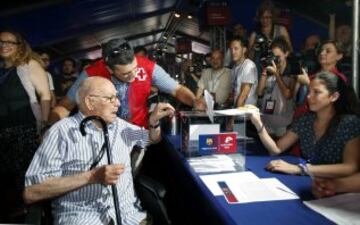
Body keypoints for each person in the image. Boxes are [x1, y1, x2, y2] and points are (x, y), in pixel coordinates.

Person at [24, 76, 175, 225]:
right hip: (82, 219)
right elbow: (31, 193)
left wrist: (153, 122)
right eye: (111, 98)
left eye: (117, 97)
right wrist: (91, 177)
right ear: (90, 102)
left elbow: (151, 138)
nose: (118, 103)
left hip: (131, 217)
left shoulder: (121, 126)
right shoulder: (61, 132)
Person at [49, 39, 197, 128]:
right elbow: (64, 106)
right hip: (104, 134)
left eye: (135, 69)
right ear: (109, 69)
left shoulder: (148, 67)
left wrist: (195, 102)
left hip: (139, 131)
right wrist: (51, 128)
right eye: (126, 74)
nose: (133, 76)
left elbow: (177, 90)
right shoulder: (91, 74)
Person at [250, 71, 360, 177]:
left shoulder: (349, 123)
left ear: (334, 96)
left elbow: (350, 167)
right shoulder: (305, 120)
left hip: (339, 189)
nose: (308, 96)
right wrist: (258, 123)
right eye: (309, 91)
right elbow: (275, 149)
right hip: (313, 183)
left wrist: (299, 169)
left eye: (316, 92)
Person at [0, 30, 51, 221]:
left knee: (28, 178)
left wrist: (44, 126)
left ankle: (38, 217)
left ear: (19, 45)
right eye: (0, 42)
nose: (3, 45)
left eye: (9, 42)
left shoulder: (29, 65)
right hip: (2, 134)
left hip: (26, 130)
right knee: (9, 181)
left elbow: (45, 96)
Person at [257, 37, 297, 137]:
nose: (275, 60)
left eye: (278, 56)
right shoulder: (271, 68)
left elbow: (288, 94)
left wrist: (277, 74)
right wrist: (264, 71)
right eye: (273, 56)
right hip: (267, 122)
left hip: (283, 124)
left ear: (286, 53)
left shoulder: (292, 69)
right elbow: (259, 93)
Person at [229, 36, 258, 107]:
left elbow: (243, 96)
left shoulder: (248, 65)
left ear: (244, 50)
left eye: (236, 49)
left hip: (246, 115)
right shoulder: (234, 68)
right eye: (231, 49)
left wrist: (233, 117)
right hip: (239, 112)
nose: (233, 52)